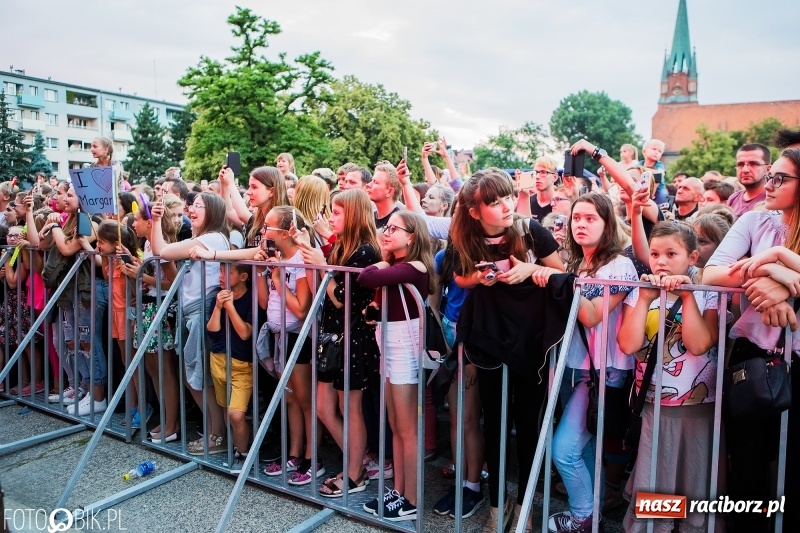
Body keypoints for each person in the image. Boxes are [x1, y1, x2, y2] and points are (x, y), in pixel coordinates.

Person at [449, 168, 564, 532]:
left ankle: (525, 507)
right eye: (495, 201)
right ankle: (497, 508)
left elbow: (561, 273)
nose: (505, 206)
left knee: (528, 427)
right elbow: (458, 276)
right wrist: (480, 278)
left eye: (508, 196)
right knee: (496, 425)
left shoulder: (532, 230)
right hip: (489, 339)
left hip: (531, 341)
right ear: (475, 210)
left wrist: (530, 270)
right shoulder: (464, 236)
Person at [703, 148, 800, 532]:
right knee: (747, 467)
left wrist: (777, 263)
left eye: (780, 178)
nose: (769, 184)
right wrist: (768, 274)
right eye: (770, 175)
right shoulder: (755, 220)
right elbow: (710, 274)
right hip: (753, 356)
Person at [618, 222, 721, 533]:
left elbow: (699, 344)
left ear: (691, 257)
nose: (660, 261)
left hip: (698, 406)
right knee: (656, 477)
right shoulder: (641, 292)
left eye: (670, 254)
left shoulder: (709, 293)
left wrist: (688, 297)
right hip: (652, 403)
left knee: (693, 479)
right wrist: (646, 299)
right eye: (654, 254)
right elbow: (628, 343)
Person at [547, 192, 639, 533]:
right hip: (574, 367)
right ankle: (593, 513)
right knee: (583, 450)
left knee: (565, 450)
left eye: (590, 218)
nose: (581, 224)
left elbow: (591, 316)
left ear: (607, 224)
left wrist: (555, 276)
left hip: (605, 370)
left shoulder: (620, 265)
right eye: (576, 218)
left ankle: (583, 518)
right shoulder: (574, 263)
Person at [297, 189, 381, 497]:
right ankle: (355, 464)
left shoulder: (367, 251)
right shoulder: (343, 246)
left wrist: (323, 266)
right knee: (323, 406)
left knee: (350, 408)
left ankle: (355, 473)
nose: (331, 217)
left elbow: (343, 299)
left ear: (355, 214)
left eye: (337, 211)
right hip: (332, 334)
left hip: (353, 336)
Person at [357, 210, 434, 521]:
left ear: (412, 236)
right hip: (390, 344)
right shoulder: (400, 266)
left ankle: (412, 499)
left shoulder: (415, 266)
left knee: (406, 429)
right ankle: (399, 492)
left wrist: (385, 258)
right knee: (395, 426)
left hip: (405, 347)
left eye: (393, 228)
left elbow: (366, 277)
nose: (386, 233)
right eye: (385, 227)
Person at [150, 192, 230, 455]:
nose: (191, 209)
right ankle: (213, 432)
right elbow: (162, 255)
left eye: (199, 206)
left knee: (201, 377)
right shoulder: (200, 238)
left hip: (201, 313)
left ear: (214, 212)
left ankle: (217, 435)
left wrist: (155, 220)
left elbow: (161, 251)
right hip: (191, 312)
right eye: (192, 205)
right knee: (192, 376)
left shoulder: (213, 238)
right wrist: (156, 221)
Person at [256, 206, 322, 486]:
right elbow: (265, 302)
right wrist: (265, 272)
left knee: (306, 400)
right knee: (290, 397)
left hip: (299, 337)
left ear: (284, 232)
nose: (263, 231)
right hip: (279, 334)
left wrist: (277, 280)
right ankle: (294, 453)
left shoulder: (300, 259)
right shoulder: (279, 257)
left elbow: (301, 308)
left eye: (267, 226)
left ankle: (312, 458)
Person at [430, 236, 487, 520]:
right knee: (456, 417)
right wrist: (442, 341)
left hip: (476, 341)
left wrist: (473, 359)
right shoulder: (444, 256)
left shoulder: (486, 254)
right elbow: (433, 300)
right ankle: (461, 483)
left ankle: (473, 487)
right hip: (451, 340)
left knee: (468, 419)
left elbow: (489, 307)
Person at [42, 185, 109, 416]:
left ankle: (98, 395)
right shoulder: (68, 221)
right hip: (71, 291)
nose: (64, 198)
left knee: (89, 342)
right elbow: (43, 244)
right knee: (75, 342)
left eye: (70, 194)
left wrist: (54, 225)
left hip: (88, 290)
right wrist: (47, 223)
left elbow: (68, 247)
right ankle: (87, 389)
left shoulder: (91, 221)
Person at [123, 196, 181, 443]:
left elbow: (174, 281)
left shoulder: (161, 245)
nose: (133, 224)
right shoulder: (147, 246)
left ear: (149, 222)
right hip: (149, 307)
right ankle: (165, 419)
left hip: (160, 309)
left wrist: (142, 277)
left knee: (163, 370)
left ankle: (172, 424)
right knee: (151, 368)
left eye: (137, 220)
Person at [94, 221, 147, 427]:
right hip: (116, 314)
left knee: (134, 365)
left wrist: (128, 267)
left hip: (129, 315)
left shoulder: (131, 260)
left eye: (101, 242)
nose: (98, 246)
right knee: (127, 364)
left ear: (116, 243)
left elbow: (136, 291)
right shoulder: (109, 261)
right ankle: (132, 405)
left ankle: (142, 407)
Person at [207, 262, 255, 470]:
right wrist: (218, 307)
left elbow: (245, 333)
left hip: (241, 364)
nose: (222, 275)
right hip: (218, 359)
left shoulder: (251, 299)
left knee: (237, 413)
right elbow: (212, 330)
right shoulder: (217, 297)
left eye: (228, 272)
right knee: (228, 411)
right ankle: (239, 447)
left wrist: (230, 307)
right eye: (220, 270)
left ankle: (244, 455)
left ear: (243, 277)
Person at [727, 143, 771, 217]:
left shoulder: (772, 200)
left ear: (768, 169)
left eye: (753, 164)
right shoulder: (733, 199)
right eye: (740, 164)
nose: (745, 170)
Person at [516, 156, 559, 222]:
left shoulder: (560, 202)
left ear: (555, 177)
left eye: (543, 172)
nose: (537, 176)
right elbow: (522, 227)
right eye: (535, 172)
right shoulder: (528, 201)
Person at [367, 164, 402, 231]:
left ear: (389, 191)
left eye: (375, 182)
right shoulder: (369, 219)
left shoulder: (399, 223)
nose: (368, 185)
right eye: (372, 181)